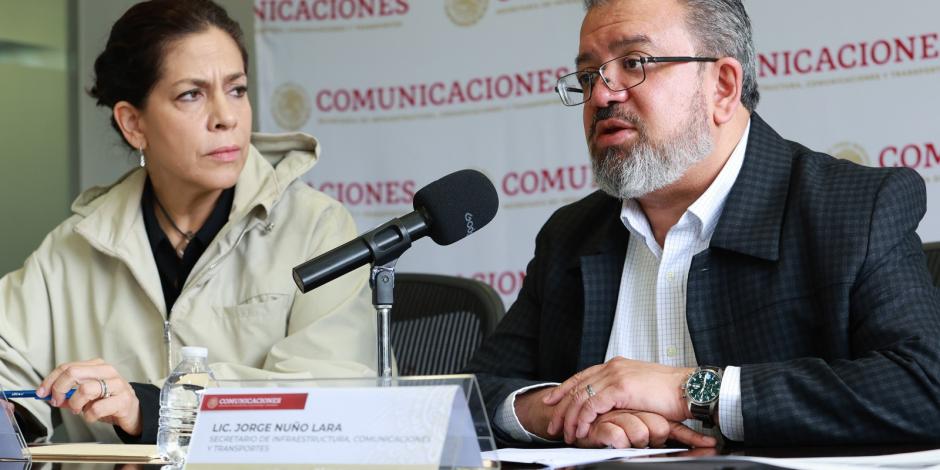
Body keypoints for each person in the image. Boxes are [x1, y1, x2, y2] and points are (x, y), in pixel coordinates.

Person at [467, 0, 940, 449]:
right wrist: (563, 412)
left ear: (723, 87)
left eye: (634, 63)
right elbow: (472, 395)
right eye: (590, 74)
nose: (601, 94)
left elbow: (923, 387)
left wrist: (687, 390)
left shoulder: (853, 209)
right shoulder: (571, 234)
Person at [0, 0, 376, 443]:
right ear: (133, 123)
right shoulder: (77, 245)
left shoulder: (318, 230)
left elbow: (329, 392)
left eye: (236, 89)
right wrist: (12, 414)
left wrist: (155, 408)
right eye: (192, 95)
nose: (227, 117)